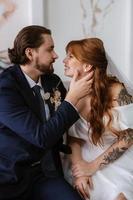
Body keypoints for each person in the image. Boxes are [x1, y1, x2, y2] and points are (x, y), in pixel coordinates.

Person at [0, 25, 93, 200]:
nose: (56, 55)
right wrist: (72, 98)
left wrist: (82, 164)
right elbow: (41, 137)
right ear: (30, 53)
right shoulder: (5, 89)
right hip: (10, 179)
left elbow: (74, 122)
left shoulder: (53, 82)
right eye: (50, 49)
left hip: (46, 172)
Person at [62, 37, 133, 200]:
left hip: (116, 152)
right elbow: (74, 139)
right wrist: (80, 170)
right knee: (87, 190)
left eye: (70, 56)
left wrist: (92, 167)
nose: (64, 60)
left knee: (120, 194)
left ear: (87, 66)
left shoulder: (117, 90)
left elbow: (129, 137)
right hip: (82, 153)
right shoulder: (71, 92)